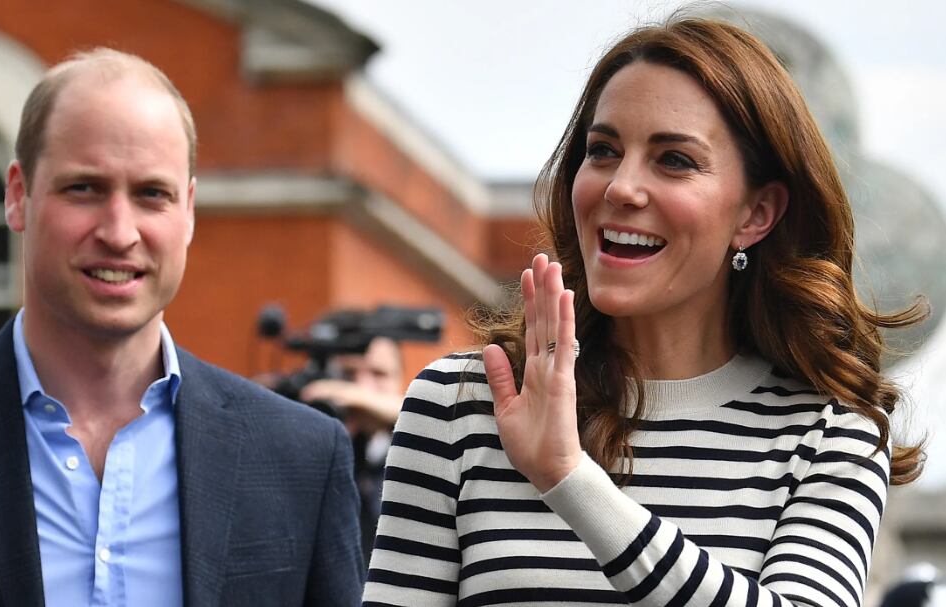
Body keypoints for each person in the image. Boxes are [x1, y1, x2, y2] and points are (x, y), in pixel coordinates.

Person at [363, 14, 925, 607]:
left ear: (756, 214)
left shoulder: (831, 434)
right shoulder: (461, 405)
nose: (620, 187)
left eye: (674, 160)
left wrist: (570, 480)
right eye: (603, 151)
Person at [0, 48, 363, 606]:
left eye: (151, 194)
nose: (120, 232)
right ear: (18, 196)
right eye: (85, 188)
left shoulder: (301, 458)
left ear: (187, 210)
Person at [300, 336, 405, 560]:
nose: (363, 385)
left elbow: (419, 411)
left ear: (401, 379)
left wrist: (353, 397)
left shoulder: (413, 437)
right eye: (351, 374)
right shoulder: (329, 441)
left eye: (379, 374)